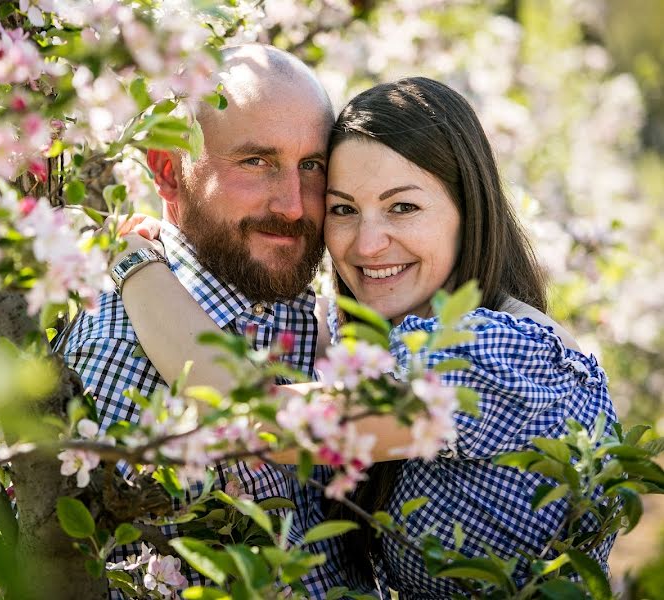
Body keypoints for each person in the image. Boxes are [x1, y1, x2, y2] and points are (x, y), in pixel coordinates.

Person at [112, 77, 616, 597]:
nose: (369, 244)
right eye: (344, 210)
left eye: (403, 208)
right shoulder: (390, 344)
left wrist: (131, 262)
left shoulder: (497, 356)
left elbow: (254, 419)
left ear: (469, 208)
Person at [56, 44, 353, 597]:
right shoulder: (122, 360)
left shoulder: (331, 316)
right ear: (168, 170)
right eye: (255, 162)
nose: (292, 204)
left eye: (310, 166)